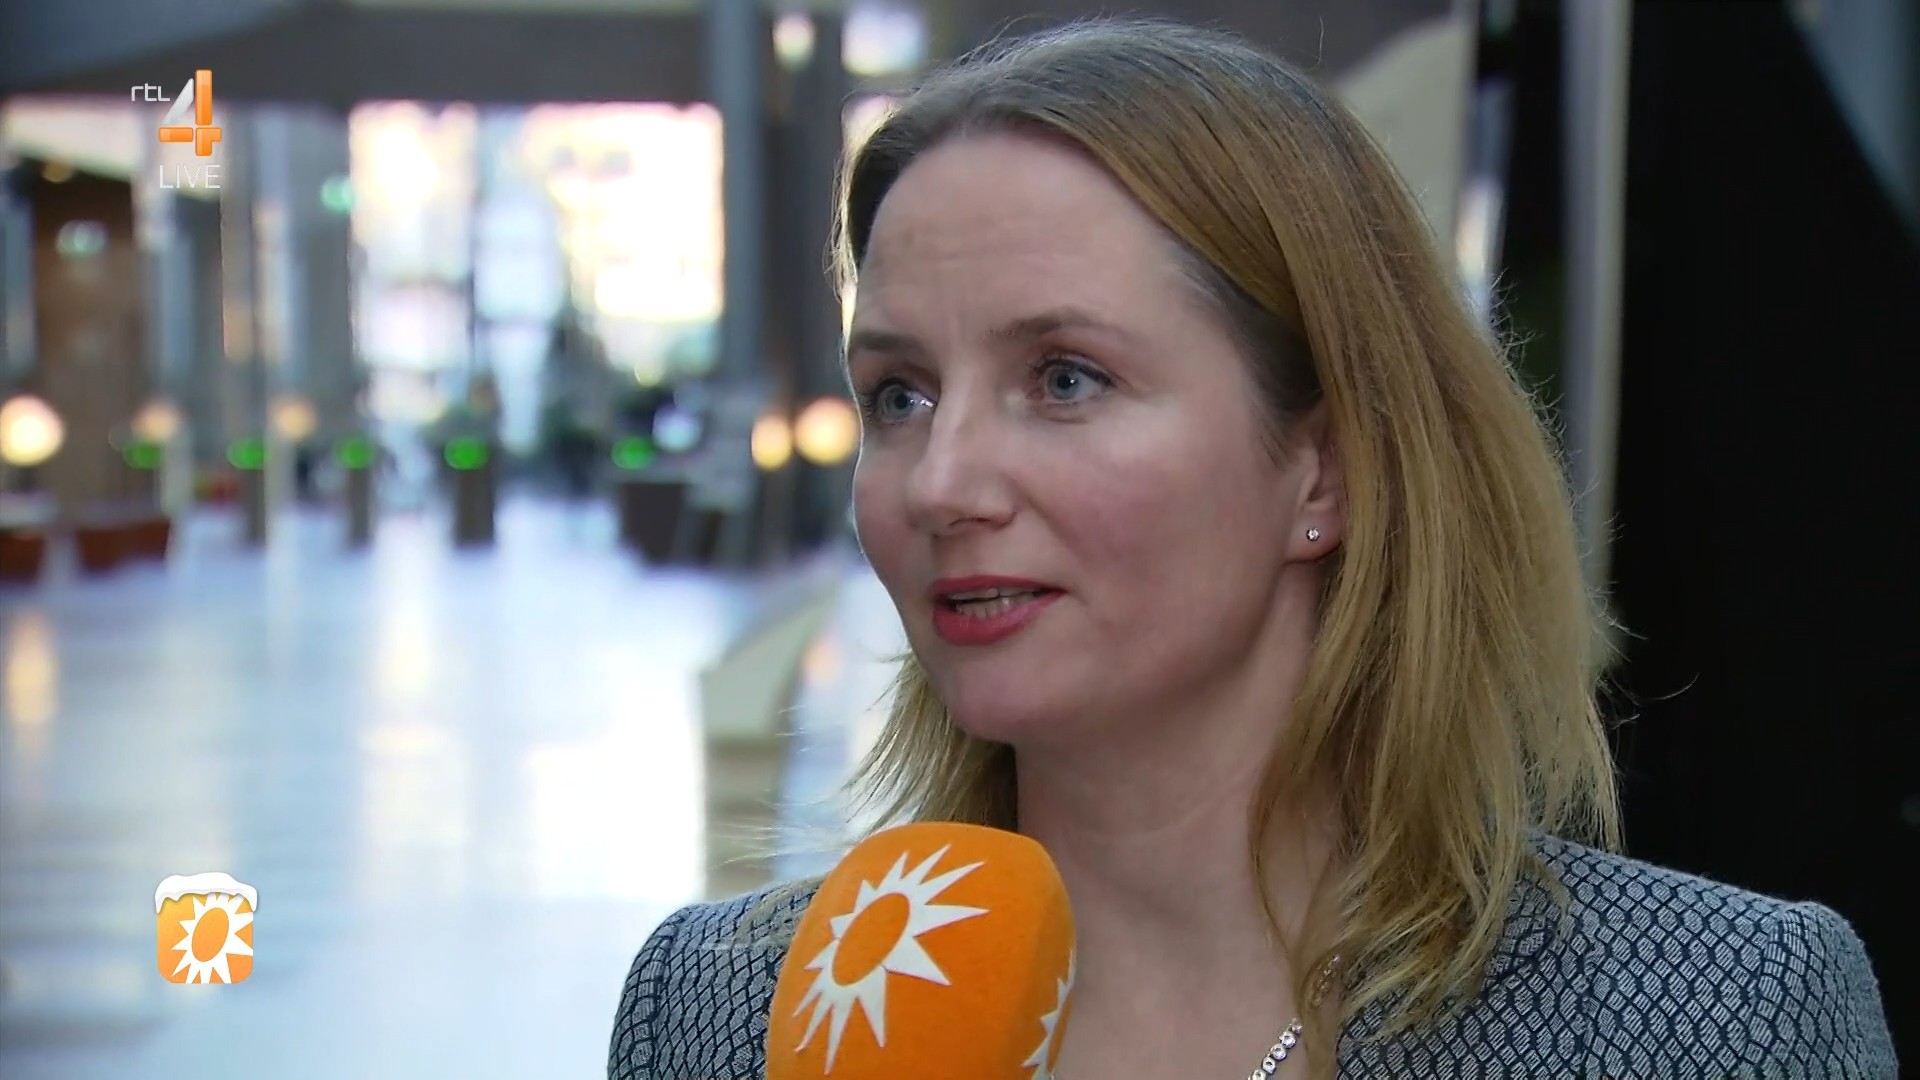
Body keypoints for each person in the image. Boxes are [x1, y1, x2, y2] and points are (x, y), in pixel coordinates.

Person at [609, 17, 1897, 1080]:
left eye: (1065, 379)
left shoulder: (1715, 1019)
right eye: (900, 395)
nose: (941, 483)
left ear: (1324, 468)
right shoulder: (722, 1015)